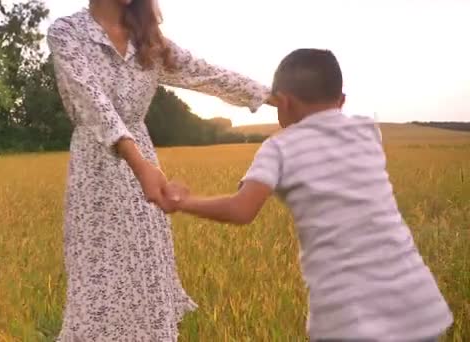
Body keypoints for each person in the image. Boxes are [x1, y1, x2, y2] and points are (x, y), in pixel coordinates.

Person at [165, 48, 453, 341]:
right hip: (420, 307)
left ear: (283, 103)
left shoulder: (280, 148)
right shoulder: (367, 131)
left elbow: (241, 209)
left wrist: (183, 201)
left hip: (351, 319)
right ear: (341, 100)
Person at [46, 0, 274, 340]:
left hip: (145, 175)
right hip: (97, 171)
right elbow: (94, 103)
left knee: (145, 275)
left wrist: (276, 97)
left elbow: (205, 73)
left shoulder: (149, 41)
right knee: (98, 283)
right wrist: (139, 165)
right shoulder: (67, 33)